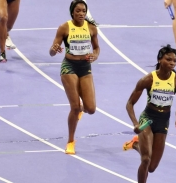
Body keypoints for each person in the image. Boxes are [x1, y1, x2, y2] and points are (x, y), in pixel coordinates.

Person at [123, 45, 176, 183]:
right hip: (147, 119)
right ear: (159, 59)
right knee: (145, 160)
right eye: (168, 59)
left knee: (151, 167)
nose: (172, 63)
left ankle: (135, 144)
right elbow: (130, 104)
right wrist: (136, 123)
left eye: (174, 61)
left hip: (163, 122)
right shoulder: (148, 79)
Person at [49, 0, 100, 154]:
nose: (81, 14)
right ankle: (71, 141)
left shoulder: (91, 28)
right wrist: (54, 49)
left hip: (85, 68)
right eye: (78, 11)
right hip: (69, 66)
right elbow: (52, 52)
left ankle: (81, 109)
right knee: (75, 106)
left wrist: (95, 55)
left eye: (83, 11)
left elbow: (97, 48)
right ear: (72, 12)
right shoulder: (65, 27)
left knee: (91, 109)